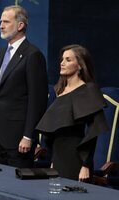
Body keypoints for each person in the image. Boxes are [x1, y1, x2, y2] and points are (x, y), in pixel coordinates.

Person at [0, 5, 48, 168]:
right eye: (0, 21)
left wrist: (29, 135)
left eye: (6, 21)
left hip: (19, 137)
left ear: (20, 25)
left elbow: (37, 101)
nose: (1, 25)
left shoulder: (33, 55)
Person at [36, 44, 108, 181]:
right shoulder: (59, 90)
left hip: (76, 159)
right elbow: (53, 130)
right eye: (62, 60)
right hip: (58, 157)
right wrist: (53, 159)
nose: (62, 63)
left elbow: (93, 132)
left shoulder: (88, 90)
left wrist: (85, 165)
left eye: (68, 60)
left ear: (80, 65)